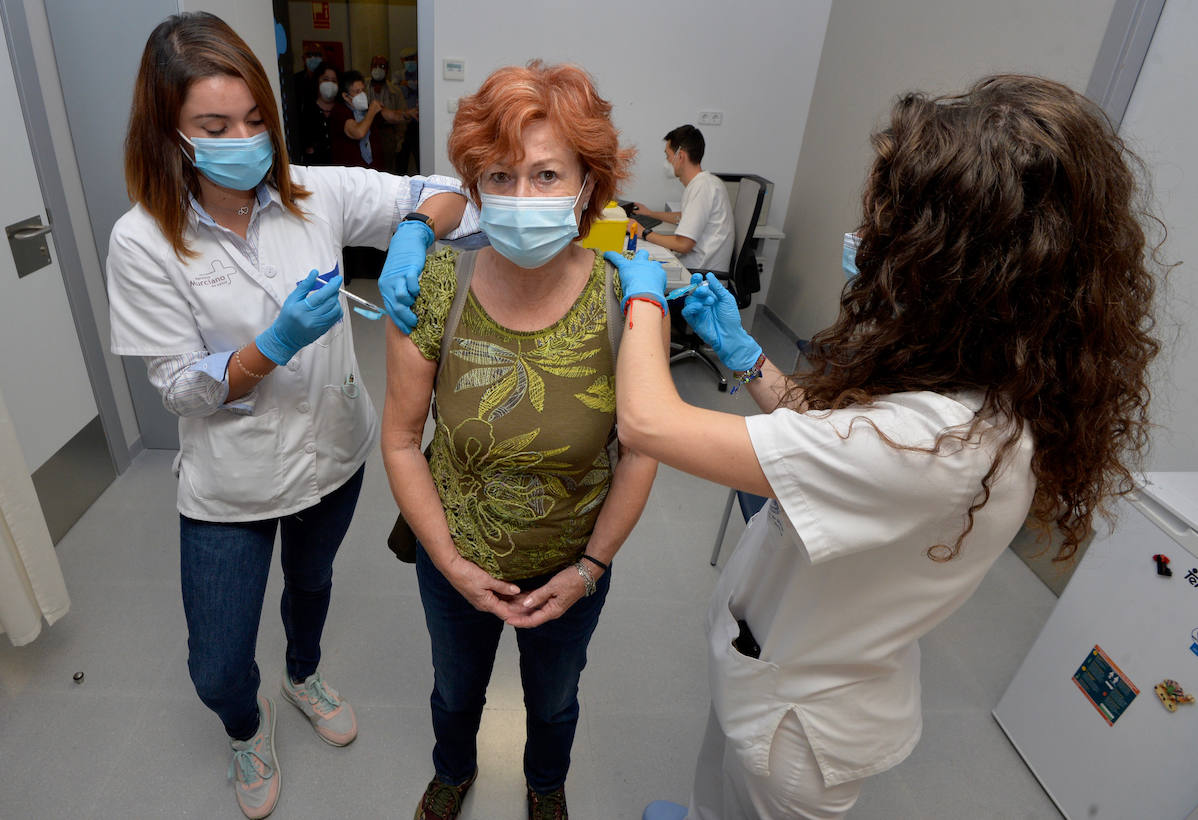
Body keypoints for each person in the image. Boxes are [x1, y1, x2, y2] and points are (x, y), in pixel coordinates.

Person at [609, 74, 1159, 820]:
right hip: (771, 666)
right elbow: (832, 437)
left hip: (794, 734)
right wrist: (747, 357)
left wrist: (642, 295)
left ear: (954, 261)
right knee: (717, 790)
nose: (863, 240)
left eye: (886, 225)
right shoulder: (973, 386)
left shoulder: (939, 446)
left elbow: (650, 424)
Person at [106, 12, 475, 820]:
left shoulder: (316, 193)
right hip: (229, 483)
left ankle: (302, 673)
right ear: (169, 132)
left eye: (254, 120)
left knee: (312, 583)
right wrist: (269, 347)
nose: (244, 139)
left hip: (331, 454)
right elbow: (178, 389)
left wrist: (415, 231)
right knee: (215, 665)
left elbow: (453, 194)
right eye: (215, 125)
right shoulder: (142, 242)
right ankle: (248, 724)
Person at [381, 61, 663, 820]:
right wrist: (450, 562)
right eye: (499, 176)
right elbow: (404, 441)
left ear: (587, 187)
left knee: (556, 698)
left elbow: (642, 449)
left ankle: (546, 786)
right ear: (473, 184)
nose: (519, 198)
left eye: (546, 176)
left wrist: (591, 567)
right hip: (455, 556)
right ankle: (452, 773)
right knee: (454, 689)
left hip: (570, 567)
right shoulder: (436, 287)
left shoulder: (625, 297)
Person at [629, 125, 734, 271]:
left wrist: (644, 233)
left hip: (699, 276)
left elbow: (683, 244)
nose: (666, 162)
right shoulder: (706, 182)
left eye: (667, 155)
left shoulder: (702, 187)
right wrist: (650, 213)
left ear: (680, 156)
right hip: (698, 268)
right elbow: (685, 218)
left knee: (636, 267)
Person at [368, 53, 416, 171]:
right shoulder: (362, 87)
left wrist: (399, 138)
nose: (378, 69)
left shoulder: (395, 91)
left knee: (387, 170)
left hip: (387, 136)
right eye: (375, 65)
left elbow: (403, 117)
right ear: (370, 67)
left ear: (387, 70)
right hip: (366, 134)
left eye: (382, 66)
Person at [295, 62, 339, 166]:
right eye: (326, 79)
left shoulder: (342, 110)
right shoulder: (306, 110)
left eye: (334, 81)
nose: (330, 84)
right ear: (317, 81)